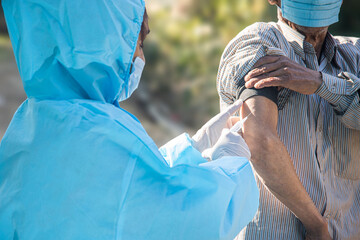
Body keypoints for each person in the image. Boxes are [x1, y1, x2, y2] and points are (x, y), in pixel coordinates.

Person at [0, 0, 259, 239]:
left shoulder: (30, 125)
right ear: (104, 42)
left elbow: (125, 188)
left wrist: (191, 149)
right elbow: (176, 219)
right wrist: (231, 168)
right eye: (139, 43)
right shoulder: (101, 132)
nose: (140, 58)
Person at [217, 0, 360, 239]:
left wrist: (320, 83)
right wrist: (315, 225)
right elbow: (259, 138)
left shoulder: (354, 55)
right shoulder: (259, 43)